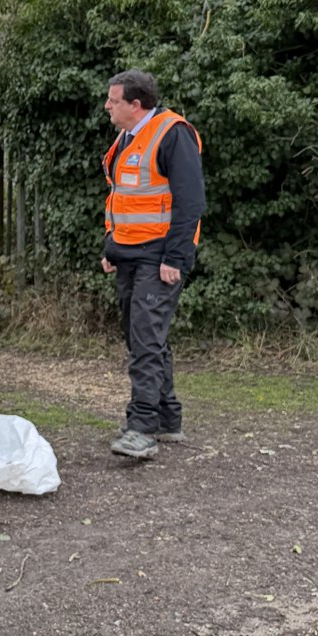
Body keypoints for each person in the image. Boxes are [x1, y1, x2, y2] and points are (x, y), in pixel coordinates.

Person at [101, 69, 205, 459]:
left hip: (159, 256)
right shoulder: (127, 137)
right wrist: (110, 247)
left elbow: (190, 201)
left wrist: (175, 257)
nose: (107, 106)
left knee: (145, 340)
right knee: (142, 337)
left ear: (135, 104)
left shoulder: (172, 134)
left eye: (113, 100)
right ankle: (167, 419)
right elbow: (120, 198)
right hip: (128, 253)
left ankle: (141, 428)